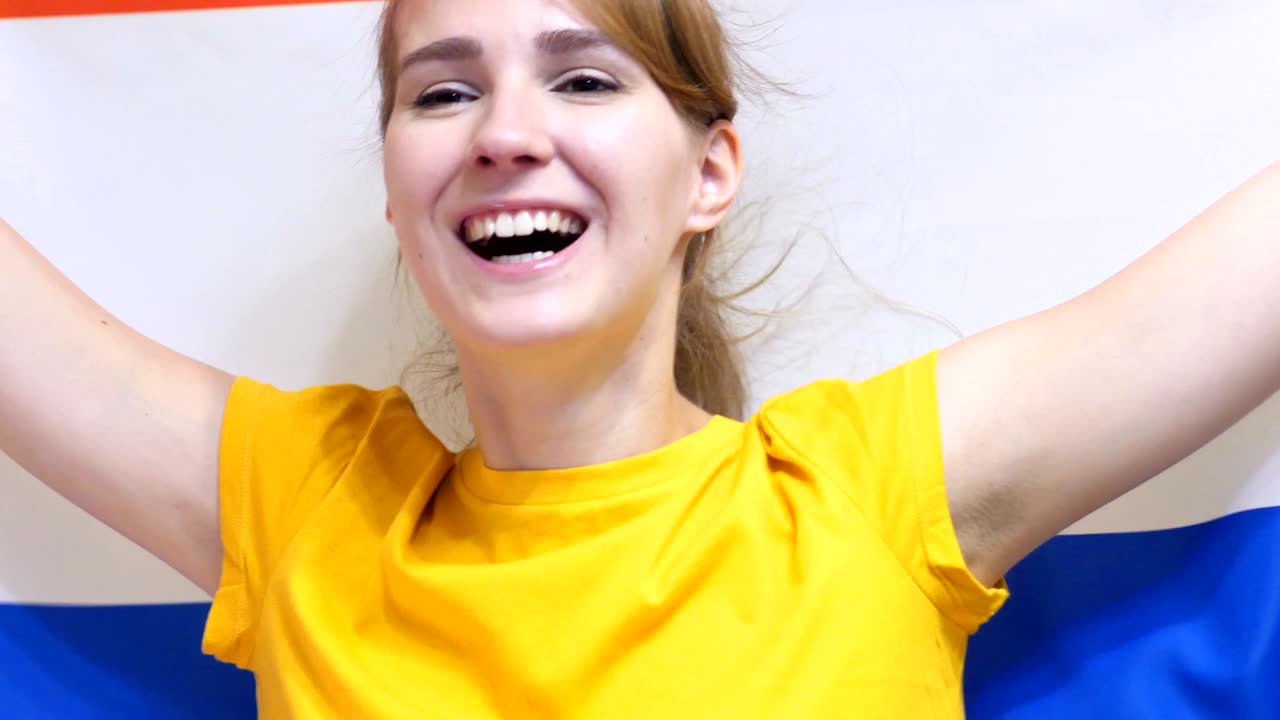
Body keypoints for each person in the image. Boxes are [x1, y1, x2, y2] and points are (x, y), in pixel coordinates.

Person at [1, 0, 1277, 717]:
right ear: (396, 197)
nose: (504, 132)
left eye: (584, 81)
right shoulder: (305, 506)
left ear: (708, 173)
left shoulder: (868, 493)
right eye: (440, 93)